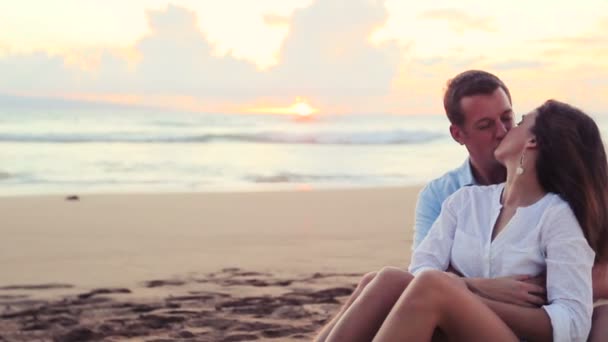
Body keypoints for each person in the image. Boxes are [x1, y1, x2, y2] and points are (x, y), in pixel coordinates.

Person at [314, 71, 608, 341]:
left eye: (514, 120)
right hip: (458, 325)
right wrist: (470, 290)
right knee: (388, 278)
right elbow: (421, 267)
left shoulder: (557, 215)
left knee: (431, 285)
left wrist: (458, 293)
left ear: (532, 142)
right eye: (485, 125)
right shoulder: (462, 200)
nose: (503, 131)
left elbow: (572, 322)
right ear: (459, 134)